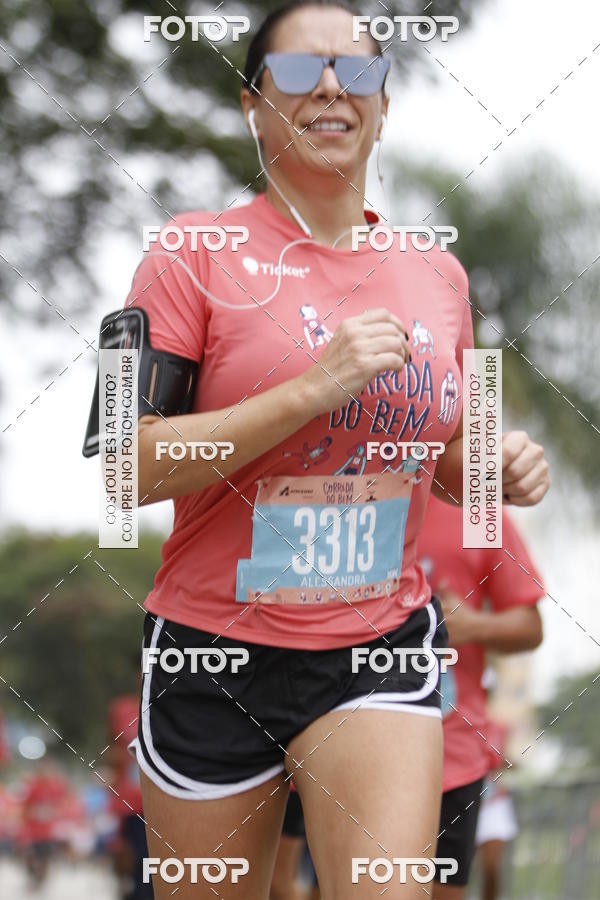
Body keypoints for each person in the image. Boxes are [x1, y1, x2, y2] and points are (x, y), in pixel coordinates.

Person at [122, 2, 550, 896]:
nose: (330, 89)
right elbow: (128, 466)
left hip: (378, 644)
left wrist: (499, 470)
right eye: (296, 73)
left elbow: (454, 474)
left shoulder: (440, 274)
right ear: (252, 102)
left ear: (383, 105)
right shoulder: (185, 254)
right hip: (214, 652)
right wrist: (315, 388)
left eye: (357, 73)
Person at [416, 496, 545, 899]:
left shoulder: (478, 510)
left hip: (450, 753)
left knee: (482, 873)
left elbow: (530, 626)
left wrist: (472, 625)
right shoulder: (341, 482)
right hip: (339, 739)